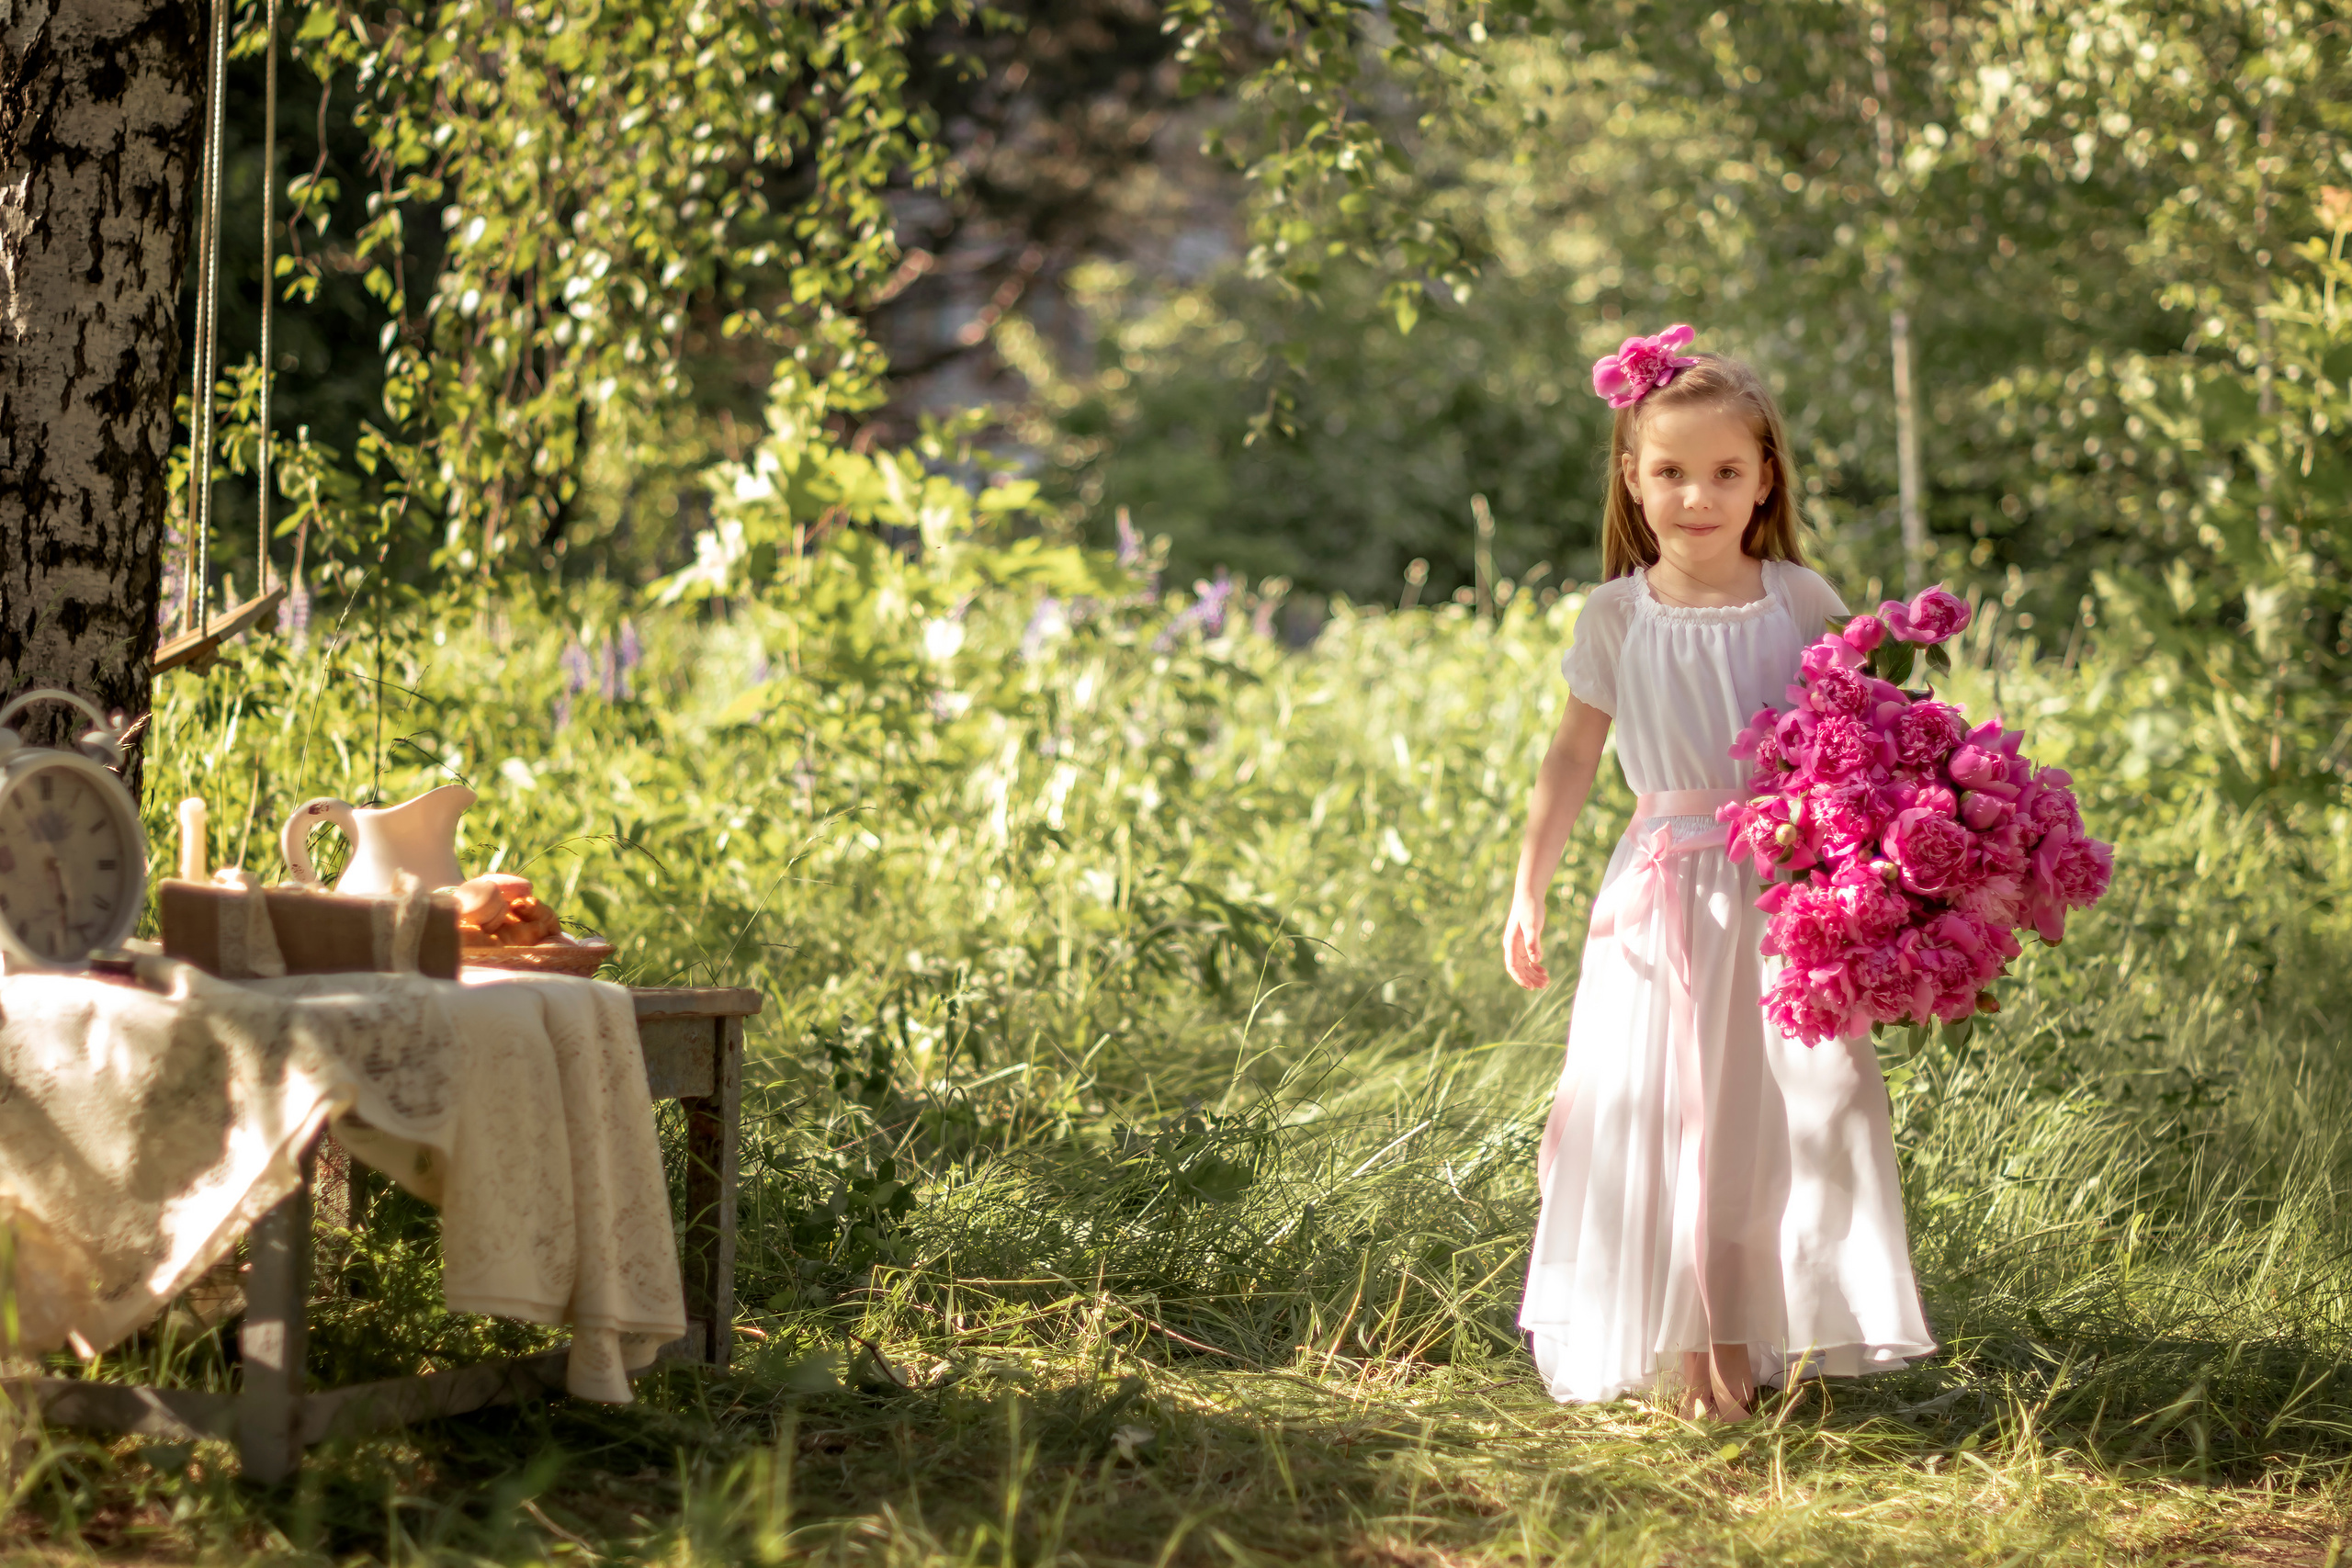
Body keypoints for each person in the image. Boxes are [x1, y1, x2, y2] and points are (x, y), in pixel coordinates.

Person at [1502, 327, 1935, 1421]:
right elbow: (1570, 758)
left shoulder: (1797, 599)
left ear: (1763, 479)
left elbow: (1866, 734)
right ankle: (1688, 1354)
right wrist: (1528, 885)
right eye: (1670, 472)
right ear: (1633, 482)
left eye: (1724, 472)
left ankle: (1742, 1340)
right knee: (1659, 1108)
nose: (1698, 495)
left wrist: (1886, 869)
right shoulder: (1617, 613)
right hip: (1660, 891)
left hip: (1784, 892)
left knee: (1775, 1110)